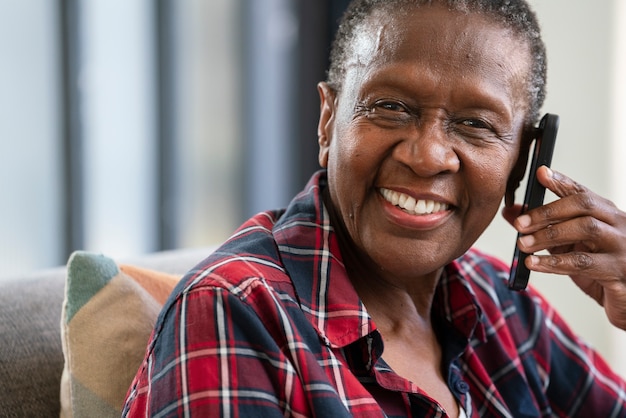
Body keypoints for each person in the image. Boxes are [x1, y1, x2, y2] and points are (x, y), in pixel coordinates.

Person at [123, 0, 626, 416]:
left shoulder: (504, 308)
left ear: (522, 162)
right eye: (391, 107)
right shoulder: (233, 309)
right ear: (328, 123)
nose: (428, 155)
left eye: (475, 123)